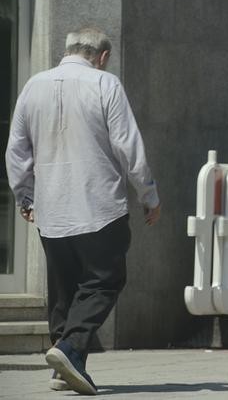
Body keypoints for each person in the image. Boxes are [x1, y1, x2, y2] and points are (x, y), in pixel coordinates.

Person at [5, 27, 161, 395]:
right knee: (105, 280)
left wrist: (25, 196)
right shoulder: (105, 84)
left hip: (51, 208)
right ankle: (70, 349)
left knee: (64, 289)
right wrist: (148, 195)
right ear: (103, 56)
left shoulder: (33, 86)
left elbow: (16, 151)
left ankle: (63, 370)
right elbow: (128, 146)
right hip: (98, 206)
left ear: (68, 49)